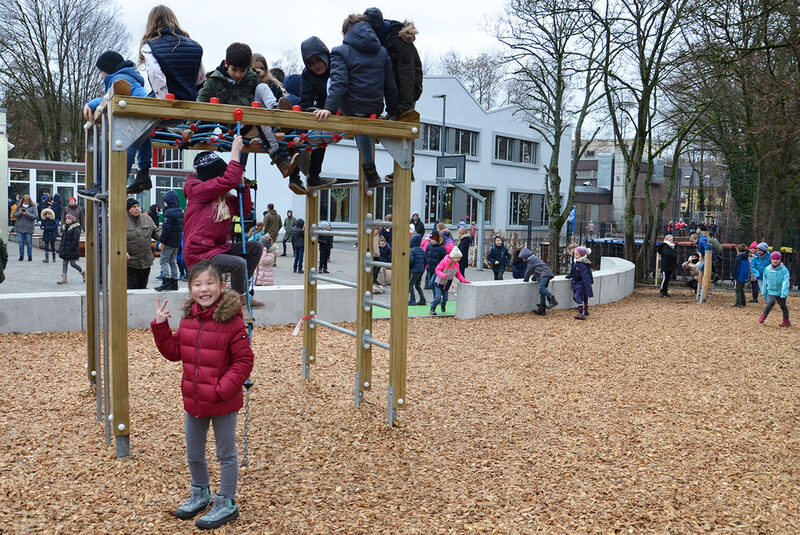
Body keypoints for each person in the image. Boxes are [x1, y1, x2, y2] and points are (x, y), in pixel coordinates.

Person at [150, 260, 253, 529]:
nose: (203, 289)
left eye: (209, 283)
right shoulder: (189, 318)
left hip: (222, 401)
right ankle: (201, 492)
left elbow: (244, 361)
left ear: (221, 286)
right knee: (194, 452)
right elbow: (175, 352)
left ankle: (227, 502)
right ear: (191, 288)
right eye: (197, 284)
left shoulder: (232, 322)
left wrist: (223, 389)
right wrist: (161, 327)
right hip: (194, 399)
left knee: (225, 453)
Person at [182, 139, 263, 323]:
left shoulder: (223, 197)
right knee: (238, 264)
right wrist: (235, 152)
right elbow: (228, 179)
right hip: (199, 252)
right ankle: (238, 302)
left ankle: (239, 293)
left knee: (255, 248)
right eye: (219, 175)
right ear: (212, 178)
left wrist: (243, 187)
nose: (223, 180)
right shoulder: (197, 191)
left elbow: (245, 207)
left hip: (217, 248)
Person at [313, 14, 398, 188]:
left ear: (345, 34)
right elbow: (390, 85)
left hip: (349, 106)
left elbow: (339, 82)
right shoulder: (382, 52)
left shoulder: (339, 51)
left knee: (330, 81)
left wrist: (329, 108)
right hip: (373, 107)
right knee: (362, 126)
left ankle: (320, 136)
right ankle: (369, 168)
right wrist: (393, 111)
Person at [135, 5, 204, 193]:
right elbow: (200, 78)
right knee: (150, 127)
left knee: (136, 126)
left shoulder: (150, 46)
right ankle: (177, 131)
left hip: (166, 102)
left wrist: (164, 103)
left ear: (151, 23)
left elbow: (157, 77)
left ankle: (142, 173)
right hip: (190, 102)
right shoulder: (195, 46)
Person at [78, 51, 151, 198]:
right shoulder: (128, 77)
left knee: (113, 145)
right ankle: (142, 174)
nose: (101, 76)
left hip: (137, 116)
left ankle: (109, 186)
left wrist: (90, 104)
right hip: (143, 115)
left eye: (101, 71)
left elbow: (110, 97)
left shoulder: (120, 78)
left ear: (109, 68)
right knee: (142, 138)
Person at [126, 198, 161, 289]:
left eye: (138, 206)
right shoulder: (121, 221)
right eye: (134, 207)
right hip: (130, 262)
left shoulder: (147, 218)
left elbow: (155, 232)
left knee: (142, 288)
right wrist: (122, 251)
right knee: (132, 288)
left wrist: (165, 238)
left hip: (145, 261)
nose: (137, 208)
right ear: (128, 209)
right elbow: (115, 238)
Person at [155, 190, 184, 292]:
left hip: (169, 241)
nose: (164, 204)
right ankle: (174, 283)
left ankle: (166, 282)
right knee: (172, 261)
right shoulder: (180, 211)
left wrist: (161, 242)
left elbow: (166, 229)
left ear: (169, 201)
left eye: (165, 201)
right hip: (176, 241)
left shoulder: (168, 212)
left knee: (163, 260)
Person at [430, 248, 469, 315]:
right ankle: (432, 308)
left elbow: (458, 274)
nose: (459, 260)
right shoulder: (444, 262)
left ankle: (443, 304)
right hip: (439, 283)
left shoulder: (456, 265)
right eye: (458, 258)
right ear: (453, 257)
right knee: (437, 297)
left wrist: (464, 280)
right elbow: (437, 270)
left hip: (447, 284)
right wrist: (442, 275)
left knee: (446, 298)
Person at [520, 248, 558, 316]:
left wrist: (526, 279)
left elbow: (528, 270)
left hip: (545, 274)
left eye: (522, 258)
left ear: (525, 256)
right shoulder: (534, 258)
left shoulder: (530, 260)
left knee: (541, 288)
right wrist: (534, 278)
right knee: (542, 292)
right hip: (545, 274)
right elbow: (538, 269)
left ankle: (552, 300)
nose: (523, 260)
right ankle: (542, 309)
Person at [759, 251, 790, 327]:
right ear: (771, 259)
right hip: (771, 291)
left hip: (780, 291)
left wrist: (784, 292)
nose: (775, 261)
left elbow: (786, 281)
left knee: (783, 305)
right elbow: (765, 280)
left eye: (777, 259)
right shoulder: (767, 269)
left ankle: (786, 320)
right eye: (773, 259)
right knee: (770, 302)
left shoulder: (784, 270)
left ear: (780, 260)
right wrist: (764, 291)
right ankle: (764, 315)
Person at [57, 213, 84, 284]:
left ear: (72, 220)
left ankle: (82, 272)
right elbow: (63, 239)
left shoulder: (76, 228)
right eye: (67, 219)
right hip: (65, 248)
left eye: (69, 219)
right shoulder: (65, 227)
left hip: (72, 249)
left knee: (73, 264)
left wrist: (70, 248)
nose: (67, 220)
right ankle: (64, 278)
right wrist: (61, 247)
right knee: (64, 263)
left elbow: (75, 240)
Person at [570, 246, 593, 320]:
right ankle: (585, 310)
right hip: (577, 283)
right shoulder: (577, 262)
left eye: (577, 255)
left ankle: (581, 313)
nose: (575, 256)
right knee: (576, 297)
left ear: (581, 255)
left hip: (581, 283)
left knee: (577, 296)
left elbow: (585, 276)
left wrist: (588, 286)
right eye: (574, 254)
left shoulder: (582, 264)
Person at [12, 194, 37, 261]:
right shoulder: (19, 206)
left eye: (27, 202)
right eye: (24, 202)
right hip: (19, 227)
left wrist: (26, 213)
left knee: (29, 243)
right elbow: (14, 215)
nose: (25, 203)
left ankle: (29, 256)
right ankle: (21, 256)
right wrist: (19, 213)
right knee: (20, 242)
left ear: (29, 201)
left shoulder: (33, 206)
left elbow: (35, 216)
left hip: (28, 228)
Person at [424, 230, 445, 294]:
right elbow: (426, 255)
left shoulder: (441, 248)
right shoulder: (429, 246)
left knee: (433, 283)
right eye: (431, 239)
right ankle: (436, 296)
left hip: (437, 269)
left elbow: (444, 259)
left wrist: (441, 268)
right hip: (430, 268)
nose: (431, 241)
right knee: (430, 284)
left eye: (433, 239)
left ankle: (437, 296)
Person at [408, 233, 426, 306]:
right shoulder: (422, 250)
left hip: (414, 270)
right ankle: (422, 299)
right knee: (417, 285)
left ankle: (412, 299)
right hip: (421, 270)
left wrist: (409, 268)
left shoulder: (412, 251)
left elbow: (411, 261)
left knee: (410, 284)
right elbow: (425, 260)